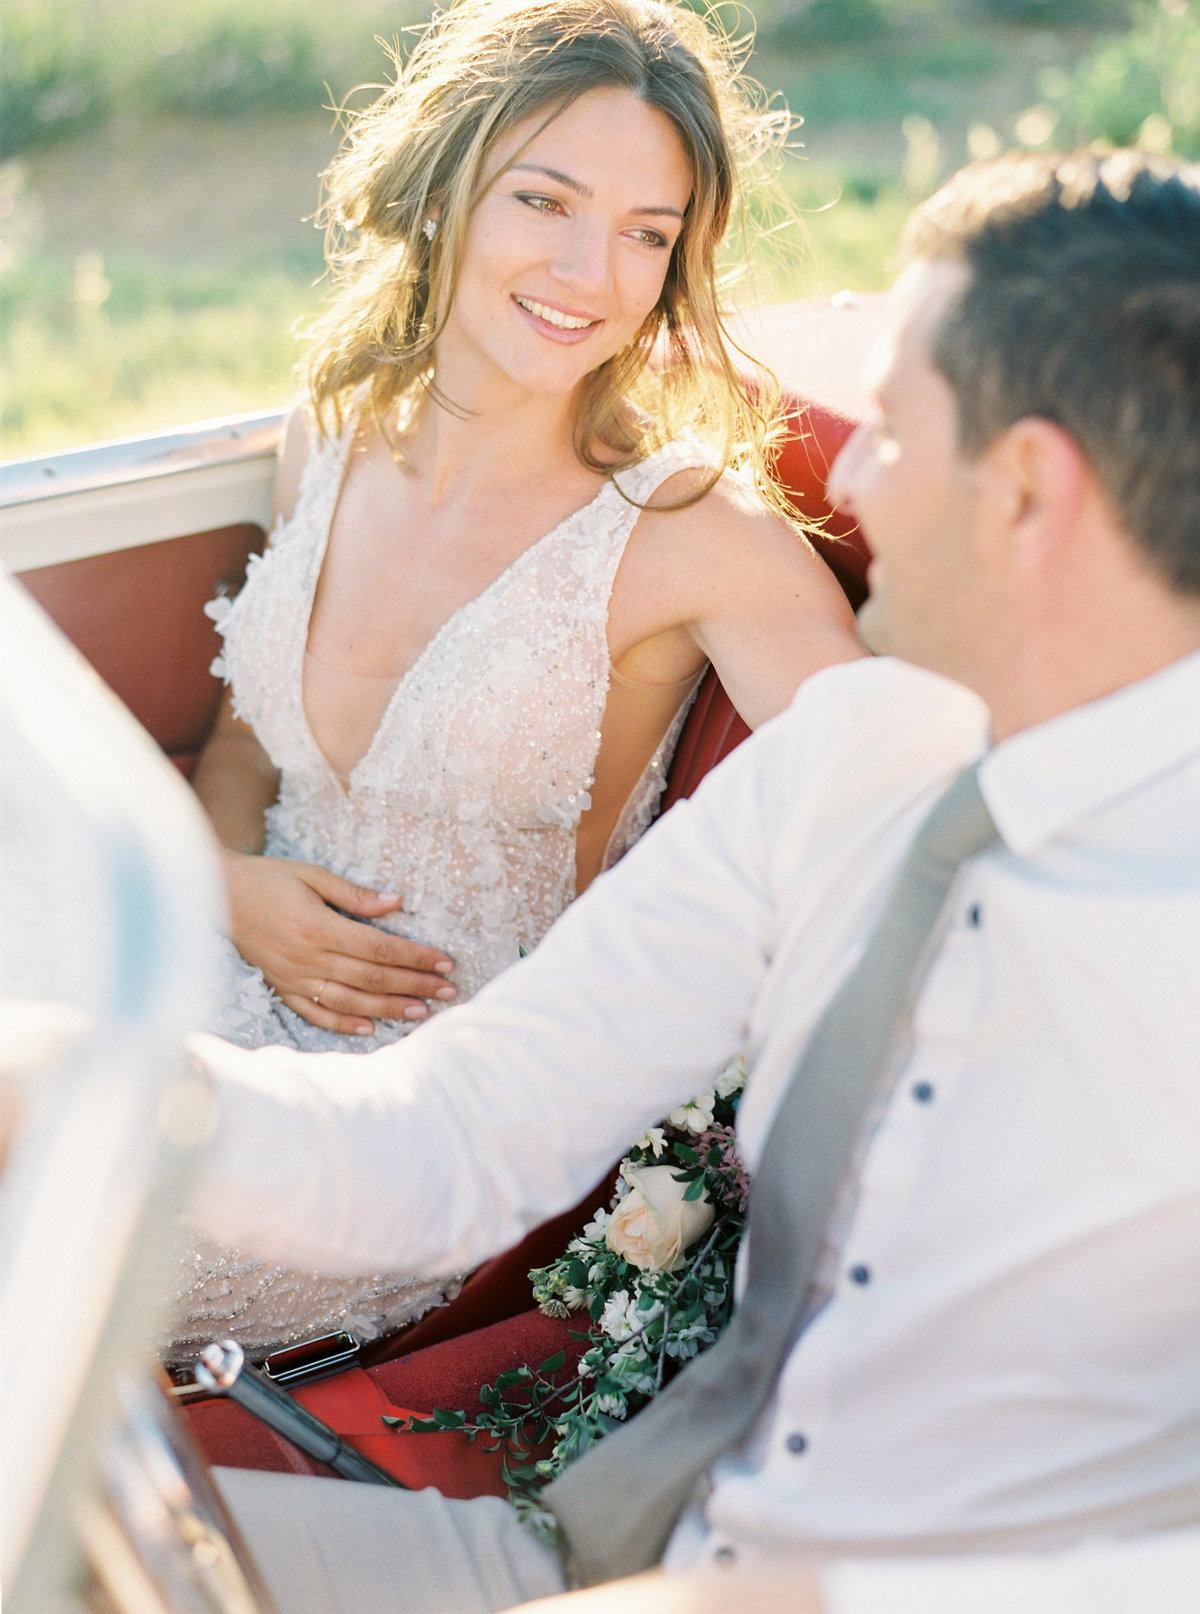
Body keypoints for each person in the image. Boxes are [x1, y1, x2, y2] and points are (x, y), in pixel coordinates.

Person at [188, 147, 1200, 1614]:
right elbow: (450, 1133)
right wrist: (94, 1087)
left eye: (895, 434)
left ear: (1029, 488)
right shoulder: (845, 765)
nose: (843, 477)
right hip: (622, 1549)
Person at [166, 0, 863, 1362]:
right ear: (446, 186)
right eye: (545, 200)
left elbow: (900, 830)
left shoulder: (692, 539)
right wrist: (229, 888)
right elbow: (246, 758)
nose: (590, 272)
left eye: (647, 233)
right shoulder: (334, 432)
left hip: (419, 1133)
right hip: (213, 968)